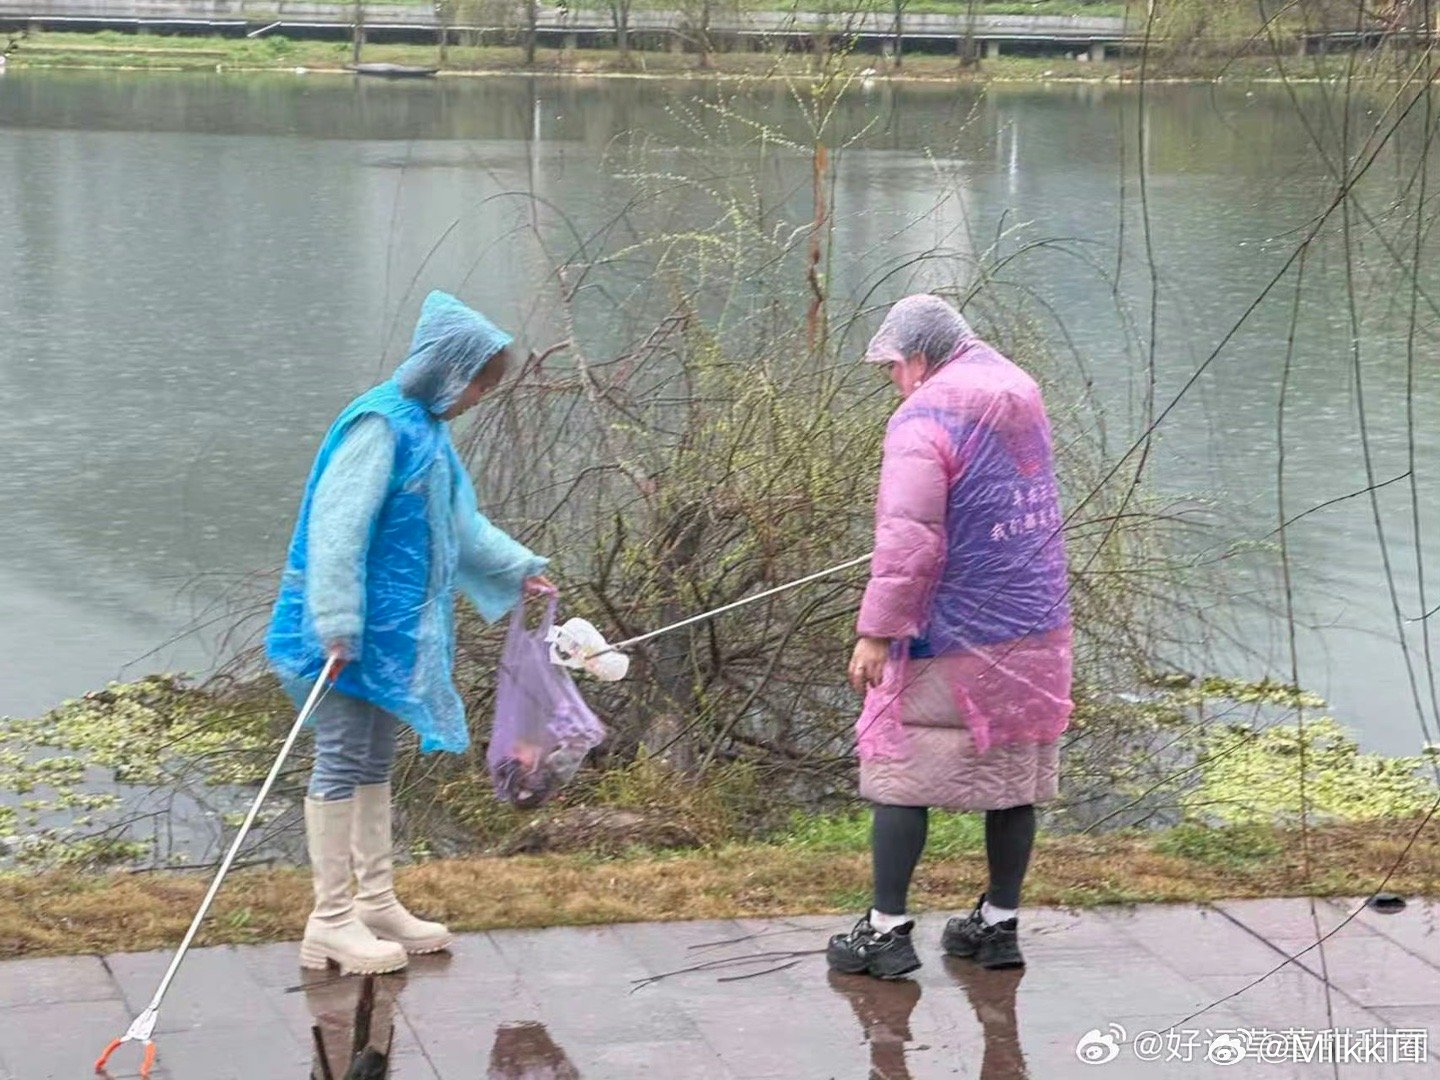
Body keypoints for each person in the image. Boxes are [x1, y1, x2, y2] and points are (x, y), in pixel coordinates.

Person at [267, 290, 553, 976]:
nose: (484, 396)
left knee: (373, 759)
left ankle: (374, 902)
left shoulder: (428, 432)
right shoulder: (380, 427)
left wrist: (520, 572)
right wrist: (336, 624)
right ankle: (329, 920)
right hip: (339, 633)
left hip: (391, 635)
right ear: (448, 371)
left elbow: (460, 527)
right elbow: (337, 531)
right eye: (482, 381)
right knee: (340, 756)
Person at [826, 294, 1073, 980]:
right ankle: (997, 927)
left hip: (953, 633)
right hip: (1034, 624)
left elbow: (910, 539)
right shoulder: (1019, 389)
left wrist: (876, 632)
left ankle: (887, 932)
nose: (894, 381)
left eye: (896, 366)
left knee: (899, 776)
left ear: (921, 358)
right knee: (1014, 774)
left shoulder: (922, 417)